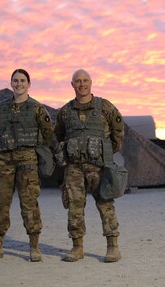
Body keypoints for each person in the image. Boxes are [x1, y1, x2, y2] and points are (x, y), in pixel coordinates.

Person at [0, 69, 54, 262]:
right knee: (0, 202)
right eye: (15, 80)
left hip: (27, 160)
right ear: (11, 83)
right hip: (3, 160)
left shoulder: (37, 108)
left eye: (22, 80)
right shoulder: (1, 108)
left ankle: (34, 247)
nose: (19, 83)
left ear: (29, 84)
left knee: (29, 203)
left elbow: (48, 135)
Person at [54, 69, 124, 262]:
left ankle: (112, 247)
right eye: (78, 81)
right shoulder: (65, 112)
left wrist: (107, 152)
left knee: (105, 204)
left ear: (91, 82)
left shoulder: (105, 107)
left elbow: (118, 132)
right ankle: (77, 248)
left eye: (85, 80)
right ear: (72, 85)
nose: (82, 84)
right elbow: (58, 135)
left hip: (99, 166)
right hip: (74, 167)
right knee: (74, 206)